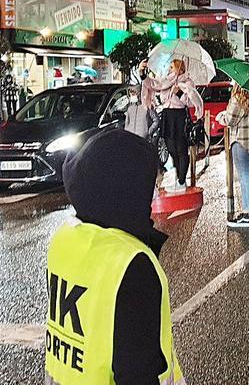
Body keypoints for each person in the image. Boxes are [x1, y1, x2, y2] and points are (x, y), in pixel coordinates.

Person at [45, 129, 185, 384]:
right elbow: (137, 369)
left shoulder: (63, 240)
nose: (154, 194)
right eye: (149, 185)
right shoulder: (132, 264)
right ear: (125, 189)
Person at [142, 59, 203, 188]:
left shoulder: (187, 82)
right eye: (169, 66)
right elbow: (153, 84)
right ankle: (178, 176)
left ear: (180, 69)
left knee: (181, 149)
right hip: (167, 115)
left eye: (172, 67)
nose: (170, 69)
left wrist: (179, 92)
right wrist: (142, 73)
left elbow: (191, 101)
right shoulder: (166, 81)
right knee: (171, 148)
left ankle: (181, 180)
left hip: (179, 116)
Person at [218, 85, 249, 228]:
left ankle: (246, 214)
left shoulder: (239, 99)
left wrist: (221, 116)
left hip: (242, 142)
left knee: (245, 178)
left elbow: (230, 120)